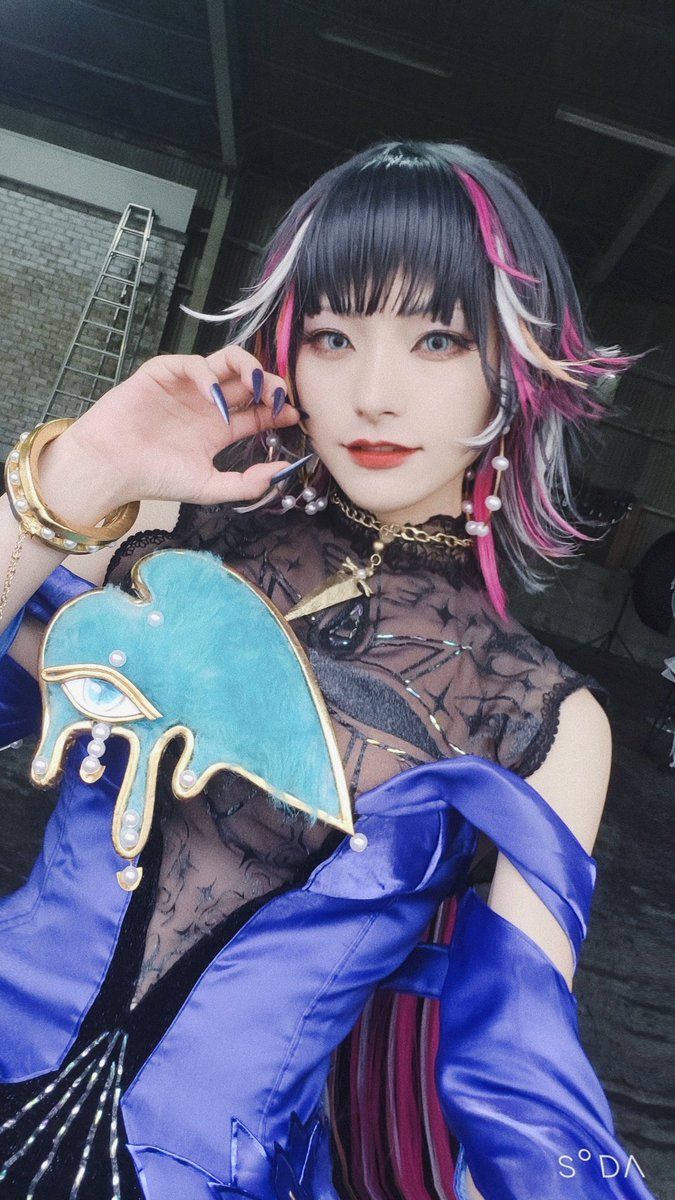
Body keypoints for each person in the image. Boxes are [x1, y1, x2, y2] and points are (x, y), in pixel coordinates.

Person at [0, 141, 657, 1200]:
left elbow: (519, 1079)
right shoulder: (164, 526)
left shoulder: (541, 717)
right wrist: (88, 468)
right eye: (333, 335)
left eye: (438, 338)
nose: (373, 394)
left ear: (516, 365)